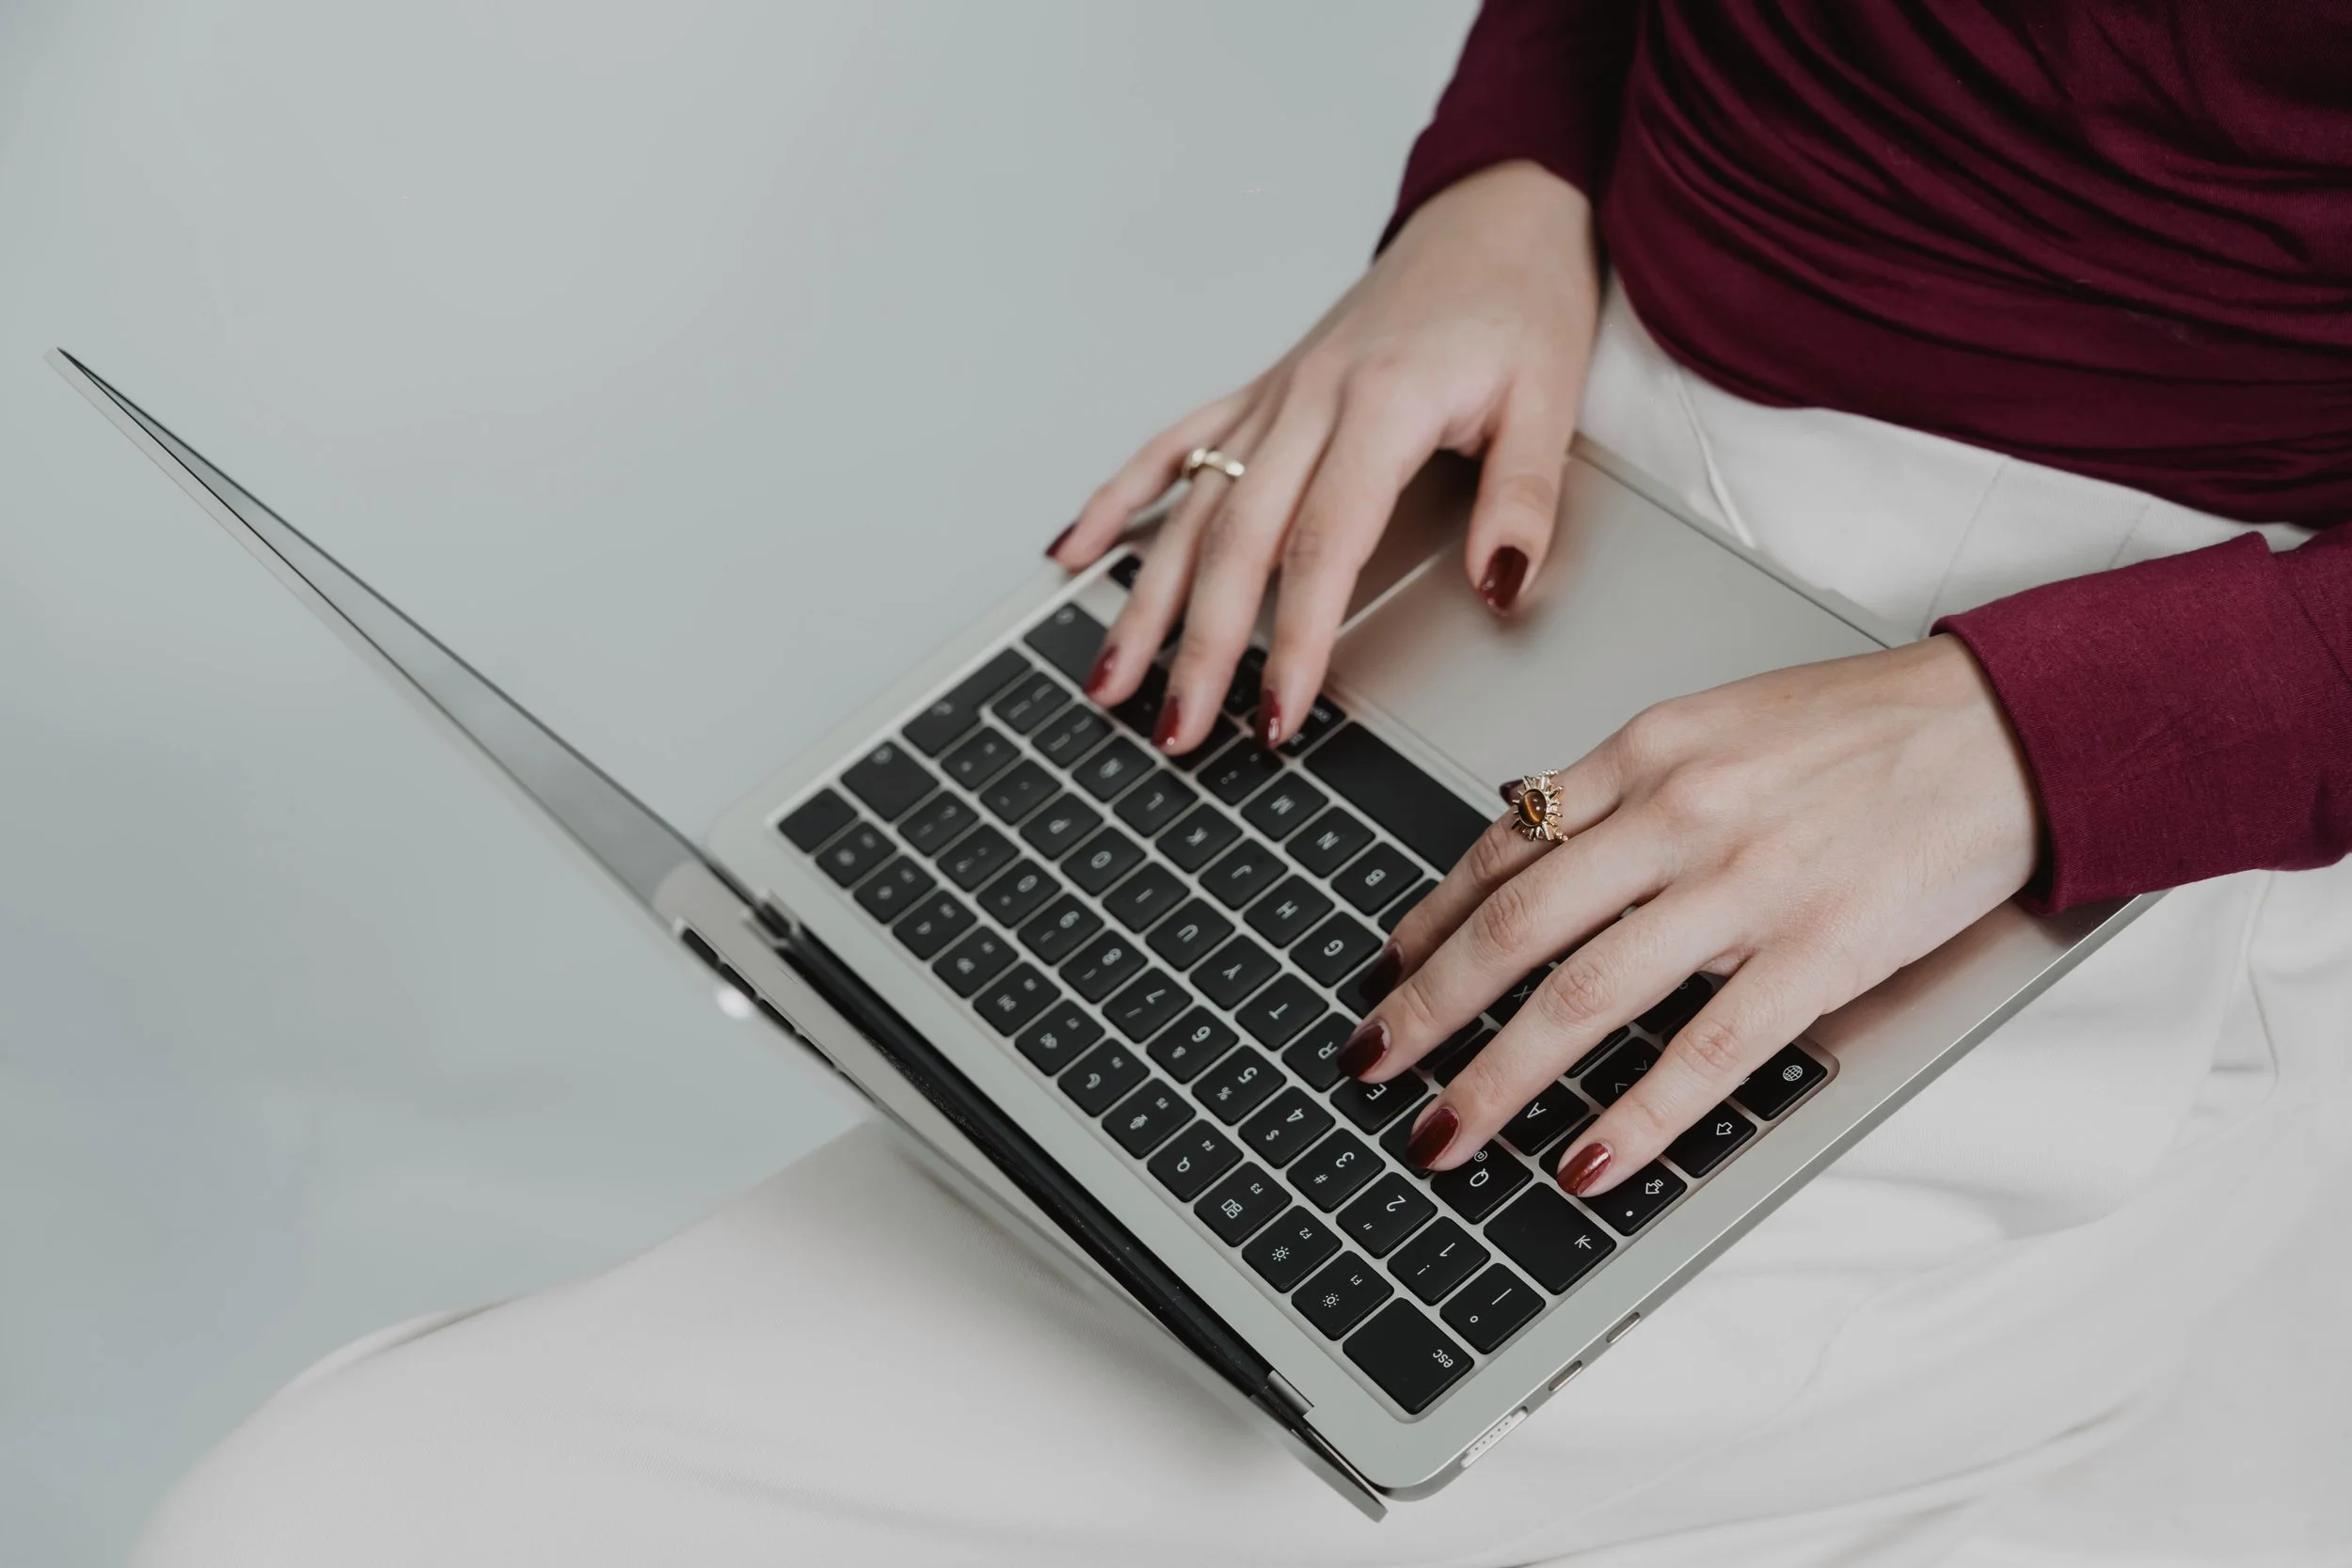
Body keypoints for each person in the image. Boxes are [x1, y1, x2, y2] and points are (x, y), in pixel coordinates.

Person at [137, 6, 2351, 1565]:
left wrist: (2040, 735)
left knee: (337, 1512)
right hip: (1541, 514)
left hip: (2077, 783)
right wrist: (1500, 188)